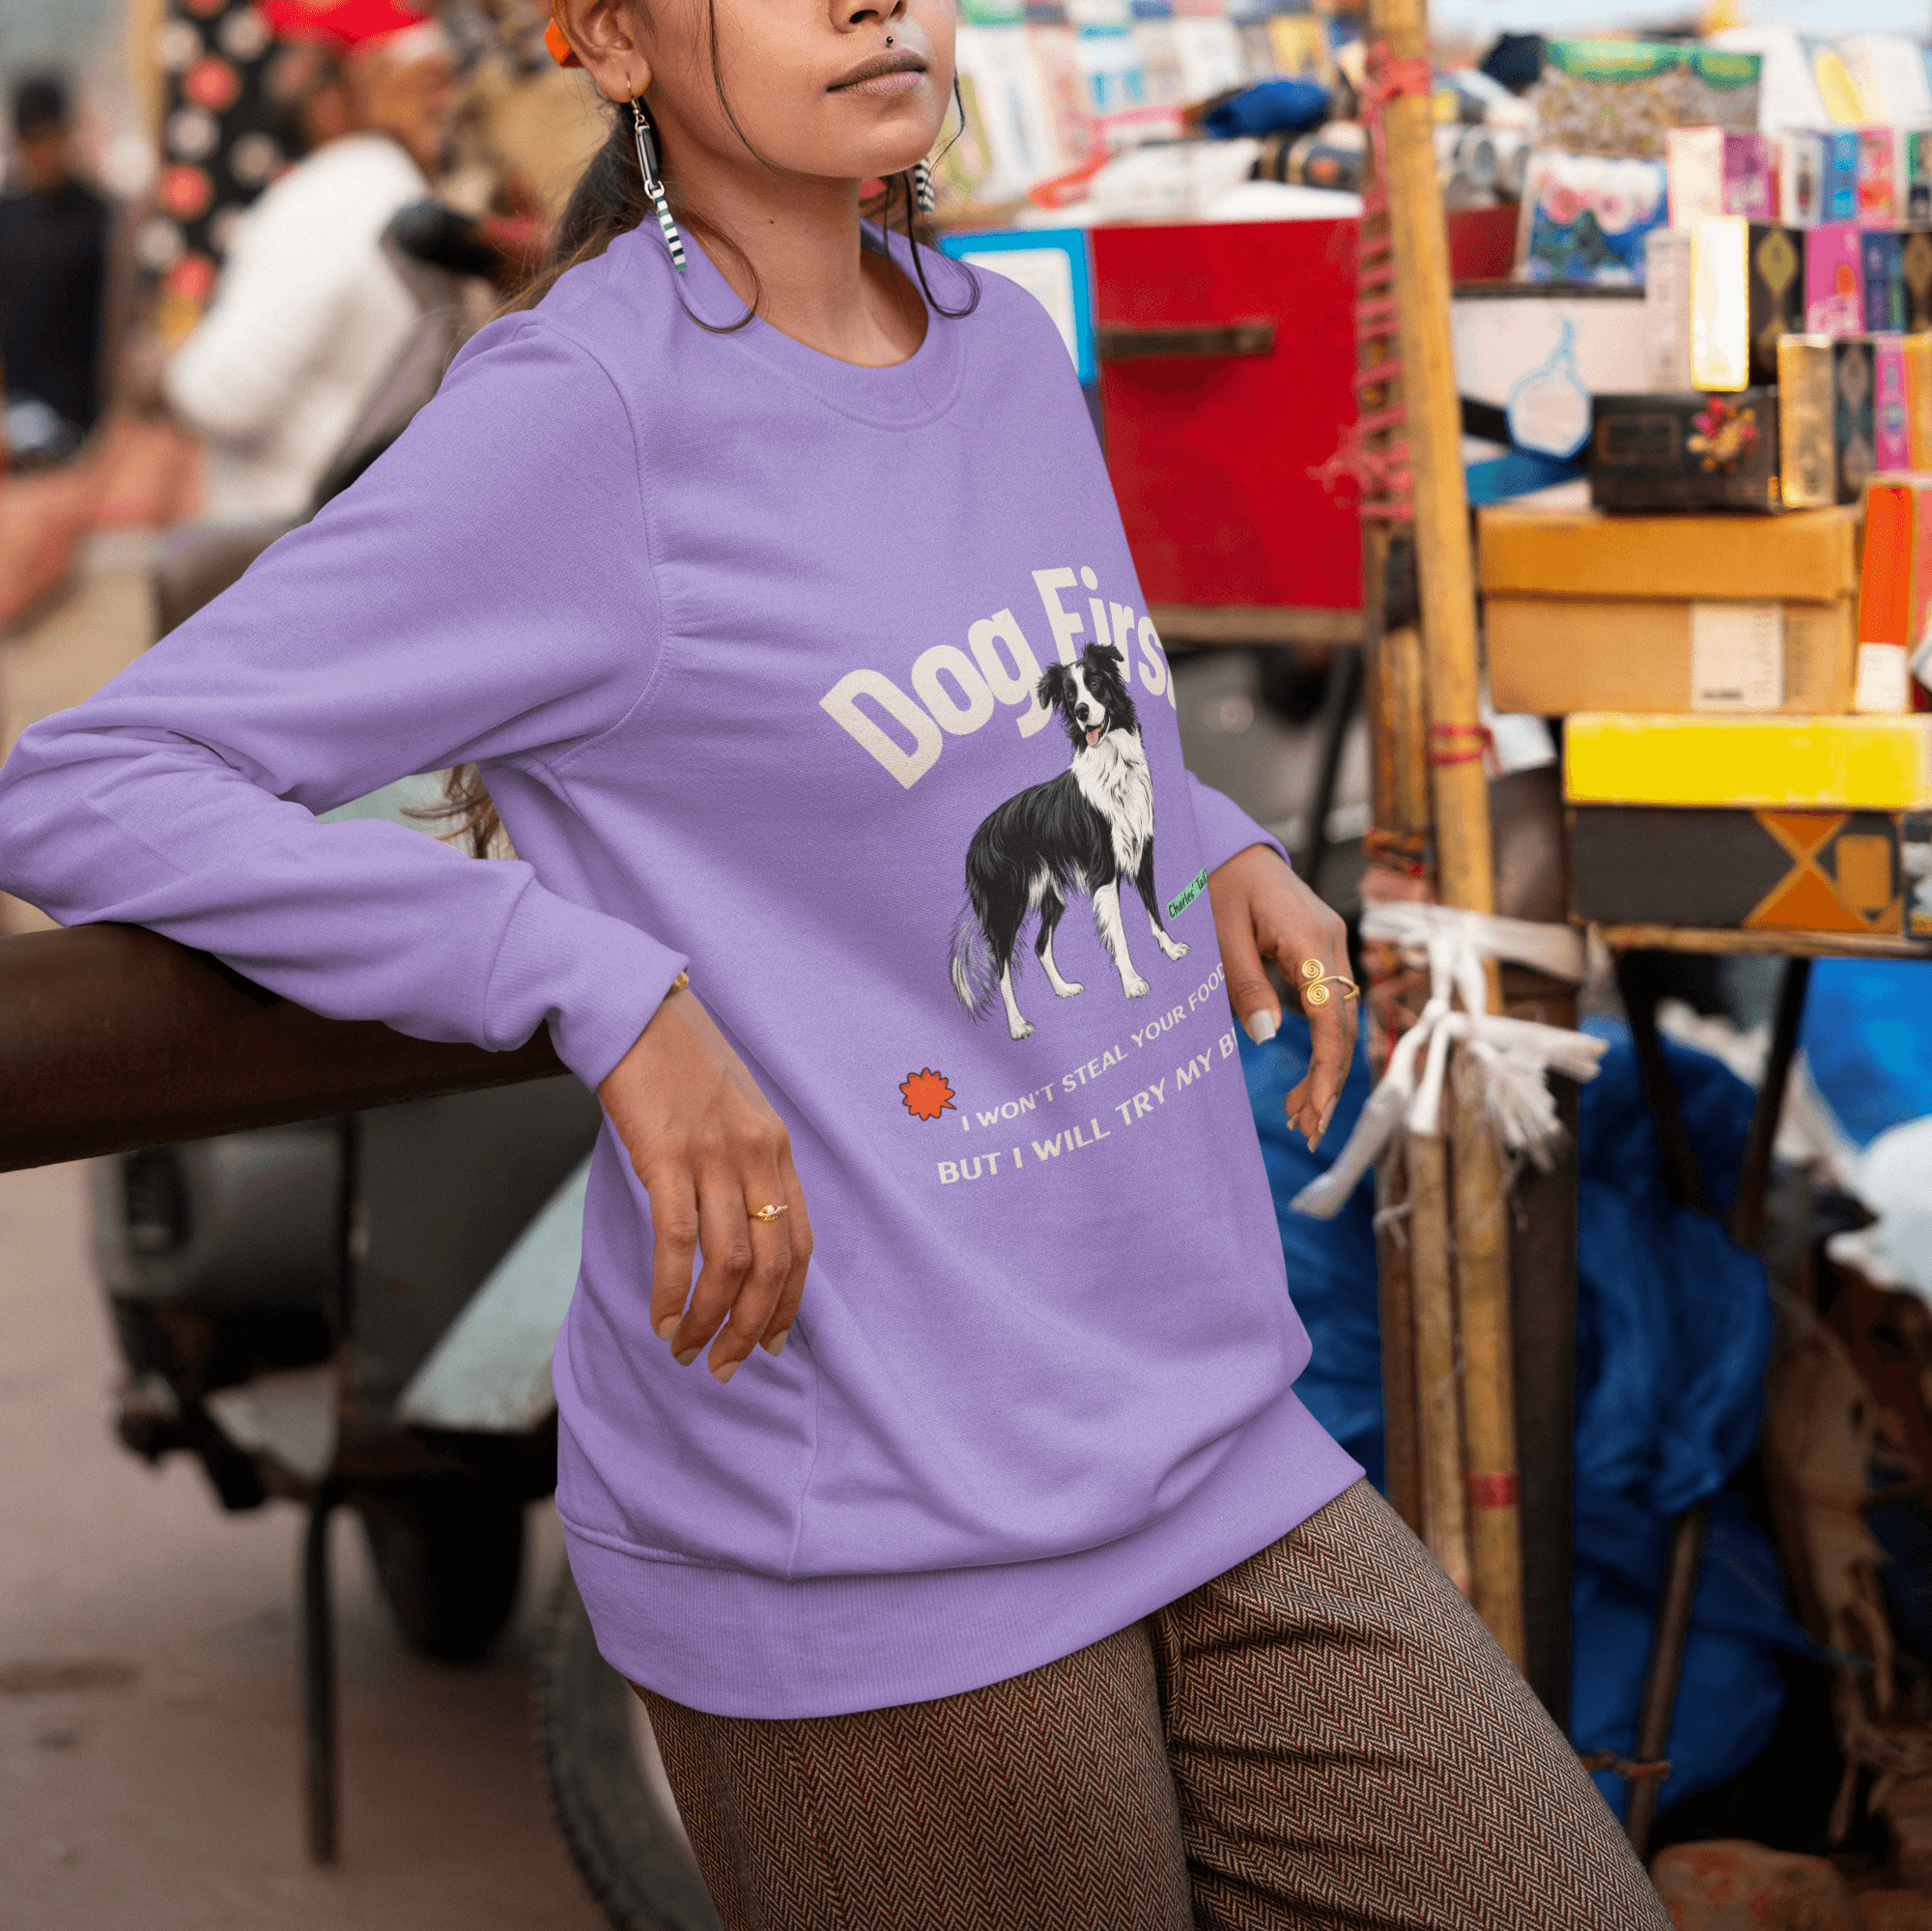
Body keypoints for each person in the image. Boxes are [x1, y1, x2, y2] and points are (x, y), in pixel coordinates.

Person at [0, 2, 1673, 1923]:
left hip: (1204, 1418)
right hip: (871, 1528)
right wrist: (585, 975)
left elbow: (1028, 716)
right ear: (609, 40)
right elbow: (93, 781)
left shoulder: (1000, 340)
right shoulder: (580, 418)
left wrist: (1207, 840)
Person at [162, 0, 457, 522]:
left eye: (310, 69)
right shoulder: (396, 187)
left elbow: (220, 394)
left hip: (298, 531)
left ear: (353, 84)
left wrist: (164, 372)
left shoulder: (342, 189)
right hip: (368, 517)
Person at [0, 73, 113, 442]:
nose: (43, 152)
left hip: (81, 417)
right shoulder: (7, 213)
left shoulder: (97, 216)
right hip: (13, 411)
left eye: (51, 137)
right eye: (33, 140)